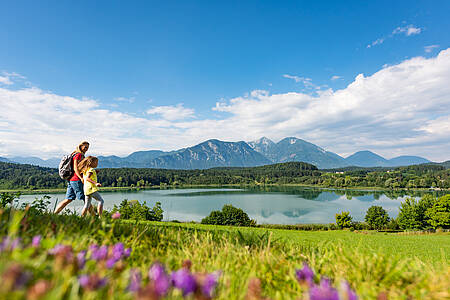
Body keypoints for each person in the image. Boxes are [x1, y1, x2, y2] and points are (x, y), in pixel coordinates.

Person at [54, 141, 90, 214]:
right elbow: (75, 168)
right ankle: (94, 217)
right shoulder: (78, 155)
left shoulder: (74, 154)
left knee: (68, 199)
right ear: (81, 146)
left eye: (88, 147)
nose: (86, 149)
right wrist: (81, 178)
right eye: (85, 147)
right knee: (86, 199)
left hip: (71, 180)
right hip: (76, 180)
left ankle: (54, 214)